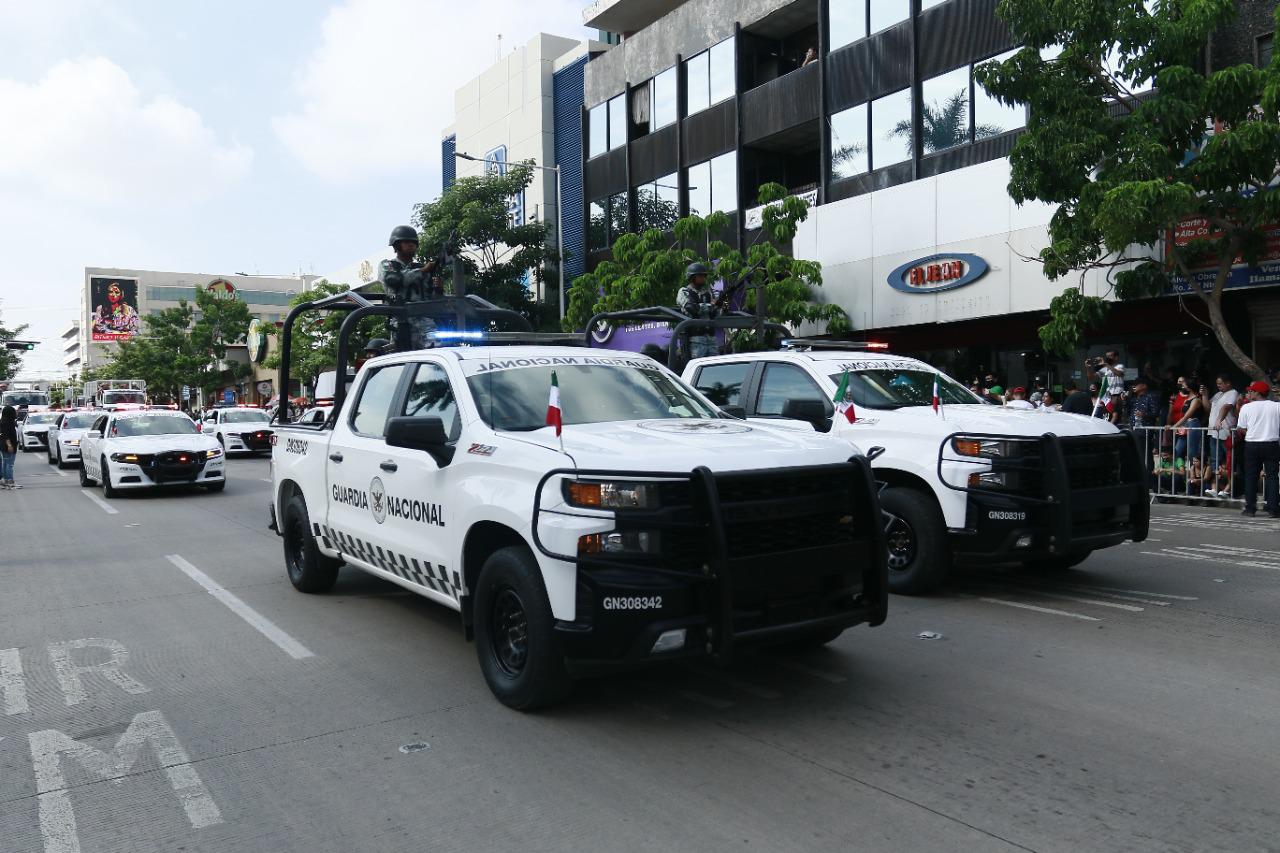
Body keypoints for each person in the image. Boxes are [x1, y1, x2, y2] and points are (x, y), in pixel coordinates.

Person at [379, 225, 440, 351]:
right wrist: (423, 270)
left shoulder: (422, 267)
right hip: (401, 319)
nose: (411, 245)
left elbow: (432, 297)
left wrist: (438, 288)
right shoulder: (388, 265)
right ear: (396, 245)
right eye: (406, 242)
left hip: (424, 319)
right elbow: (394, 280)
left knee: (437, 351)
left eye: (413, 242)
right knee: (404, 356)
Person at [1235, 380, 1280, 517]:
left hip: (1252, 443)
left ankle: (1250, 508)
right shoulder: (1277, 406)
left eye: (1251, 391)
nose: (1249, 393)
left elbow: (1241, 428)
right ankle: (1273, 509)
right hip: (1271, 443)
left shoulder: (1246, 407)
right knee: (1272, 477)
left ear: (1257, 392)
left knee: (1251, 477)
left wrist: (1251, 433)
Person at [1202, 374, 1239, 497]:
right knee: (1215, 462)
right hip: (1213, 433)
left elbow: (1226, 407)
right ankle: (1214, 487)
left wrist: (1219, 420)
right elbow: (1208, 408)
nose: (1218, 385)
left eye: (1220, 383)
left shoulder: (1233, 393)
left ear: (1228, 383)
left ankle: (1229, 489)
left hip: (1226, 433)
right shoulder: (1218, 395)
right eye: (1217, 383)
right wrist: (1205, 396)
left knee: (1229, 463)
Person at [676, 262, 720, 358]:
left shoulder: (707, 293)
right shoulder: (684, 291)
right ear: (692, 277)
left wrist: (718, 306)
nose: (703, 278)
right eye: (700, 276)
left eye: (704, 276)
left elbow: (715, 312)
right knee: (698, 364)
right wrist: (709, 306)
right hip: (695, 338)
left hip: (710, 337)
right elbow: (691, 308)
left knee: (715, 367)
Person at [1169, 374, 1206, 464]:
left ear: (1189, 388)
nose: (1182, 387)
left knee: (1192, 452)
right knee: (1177, 451)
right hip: (1185, 426)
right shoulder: (1187, 399)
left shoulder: (1196, 400)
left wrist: (1174, 426)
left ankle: (1193, 475)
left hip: (1193, 424)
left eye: (1184, 386)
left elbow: (1187, 416)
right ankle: (1181, 474)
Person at [1087, 351, 1125, 423]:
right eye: (1107, 356)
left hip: (1116, 396)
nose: (1108, 358)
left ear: (1116, 357)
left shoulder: (1119, 366)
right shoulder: (1104, 369)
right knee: (1106, 416)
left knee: (1116, 416)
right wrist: (1088, 368)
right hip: (1106, 396)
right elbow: (1091, 377)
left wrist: (1106, 365)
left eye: (1110, 356)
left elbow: (1119, 374)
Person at [0, 406, 19, 490]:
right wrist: (9, 445)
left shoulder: (4, 422)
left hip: (6, 445)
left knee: (6, 463)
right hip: (8, 445)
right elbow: (6, 435)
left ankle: (5, 481)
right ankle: (10, 482)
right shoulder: (7, 423)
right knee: (9, 464)